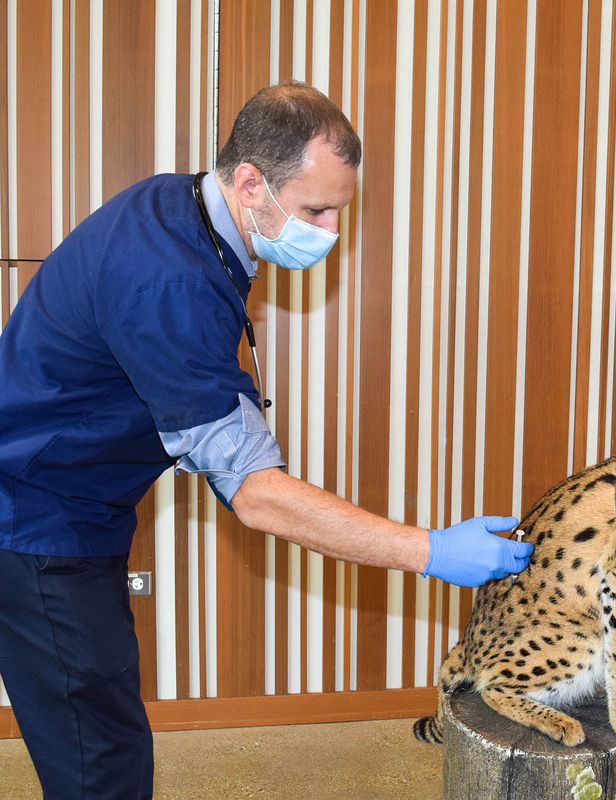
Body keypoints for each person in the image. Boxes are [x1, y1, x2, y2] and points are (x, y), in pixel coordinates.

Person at [0, 82, 532, 799]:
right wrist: (431, 550)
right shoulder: (167, 278)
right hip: (35, 525)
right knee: (100, 759)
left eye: (339, 210)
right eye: (316, 209)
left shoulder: (183, 209)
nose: (329, 232)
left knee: (102, 725)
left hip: (75, 510)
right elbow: (257, 497)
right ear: (251, 182)